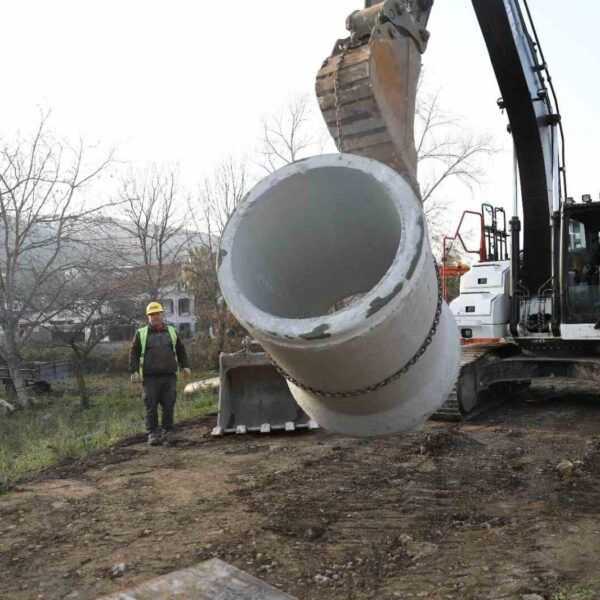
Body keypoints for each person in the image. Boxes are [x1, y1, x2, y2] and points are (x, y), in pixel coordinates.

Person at [129, 302, 191, 446]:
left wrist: (185, 366)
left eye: (158, 314)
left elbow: (181, 349)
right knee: (151, 406)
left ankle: (168, 432)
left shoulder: (171, 331)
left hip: (169, 376)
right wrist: (133, 371)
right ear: (148, 317)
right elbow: (134, 352)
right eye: (152, 314)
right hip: (150, 378)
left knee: (169, 404)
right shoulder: (141, 333)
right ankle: (152, 433)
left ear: (162, 314)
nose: (155, 317)